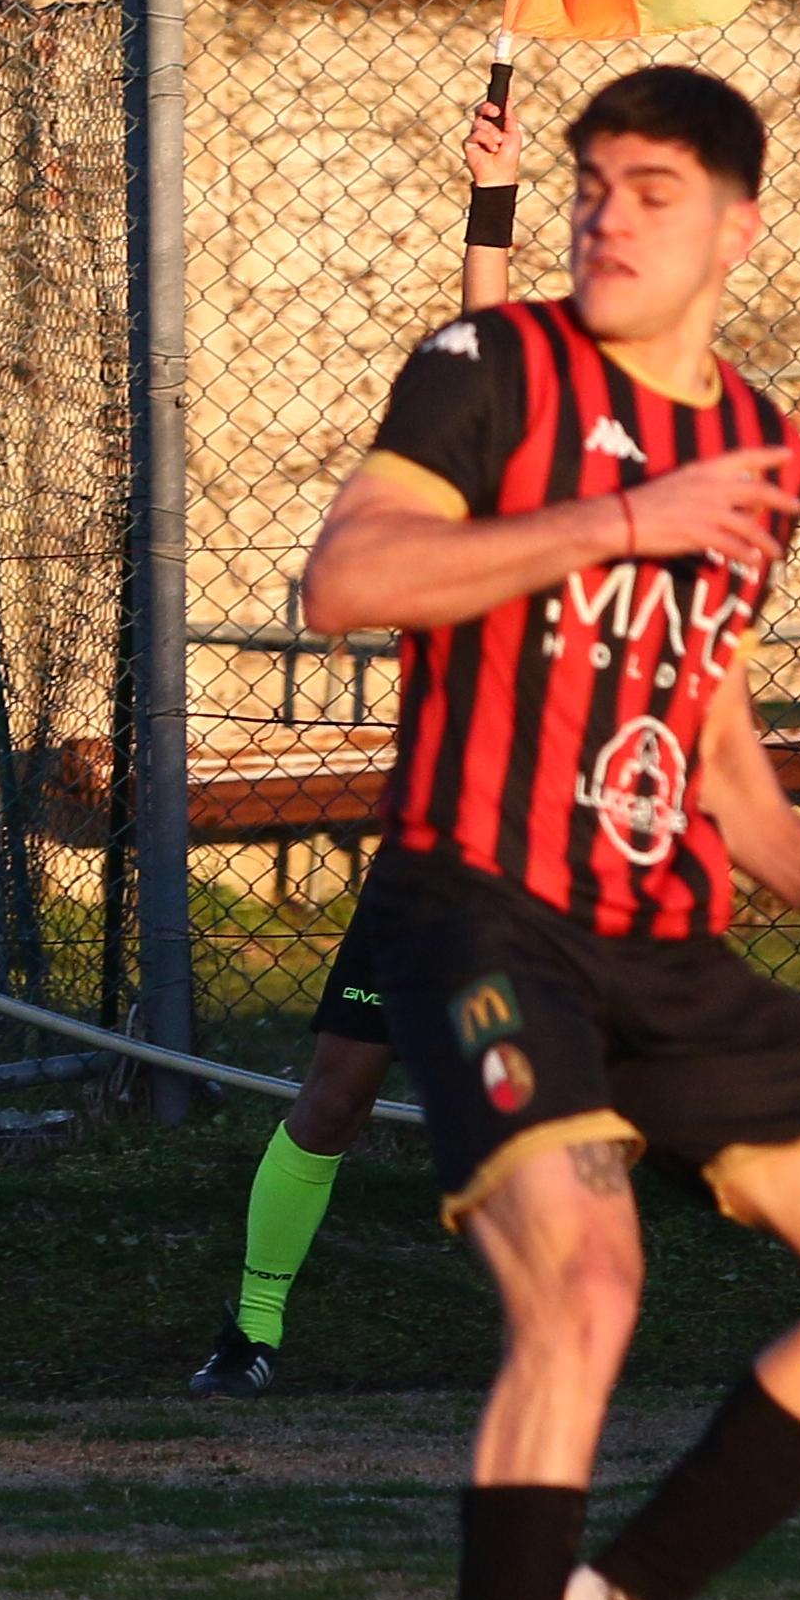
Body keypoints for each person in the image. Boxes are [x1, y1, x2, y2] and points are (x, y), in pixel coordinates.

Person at [295, 63, 800, 1600]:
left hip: (664, 937)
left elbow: (707, 731)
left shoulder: (762, 447)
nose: (609, 217)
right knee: (588, 1280)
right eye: (592, 184)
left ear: (736, 231)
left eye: (655, 190)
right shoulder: (487, 369)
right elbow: (348, 582)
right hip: (479, 913)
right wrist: (621, 521)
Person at [195, 86, 524, 1399]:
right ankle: (252, 1334)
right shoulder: (435, 533)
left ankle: (567, 1327)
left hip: (538, 868)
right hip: (428, 868)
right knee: (334, 1090)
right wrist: (489, 198)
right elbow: (481, 341)